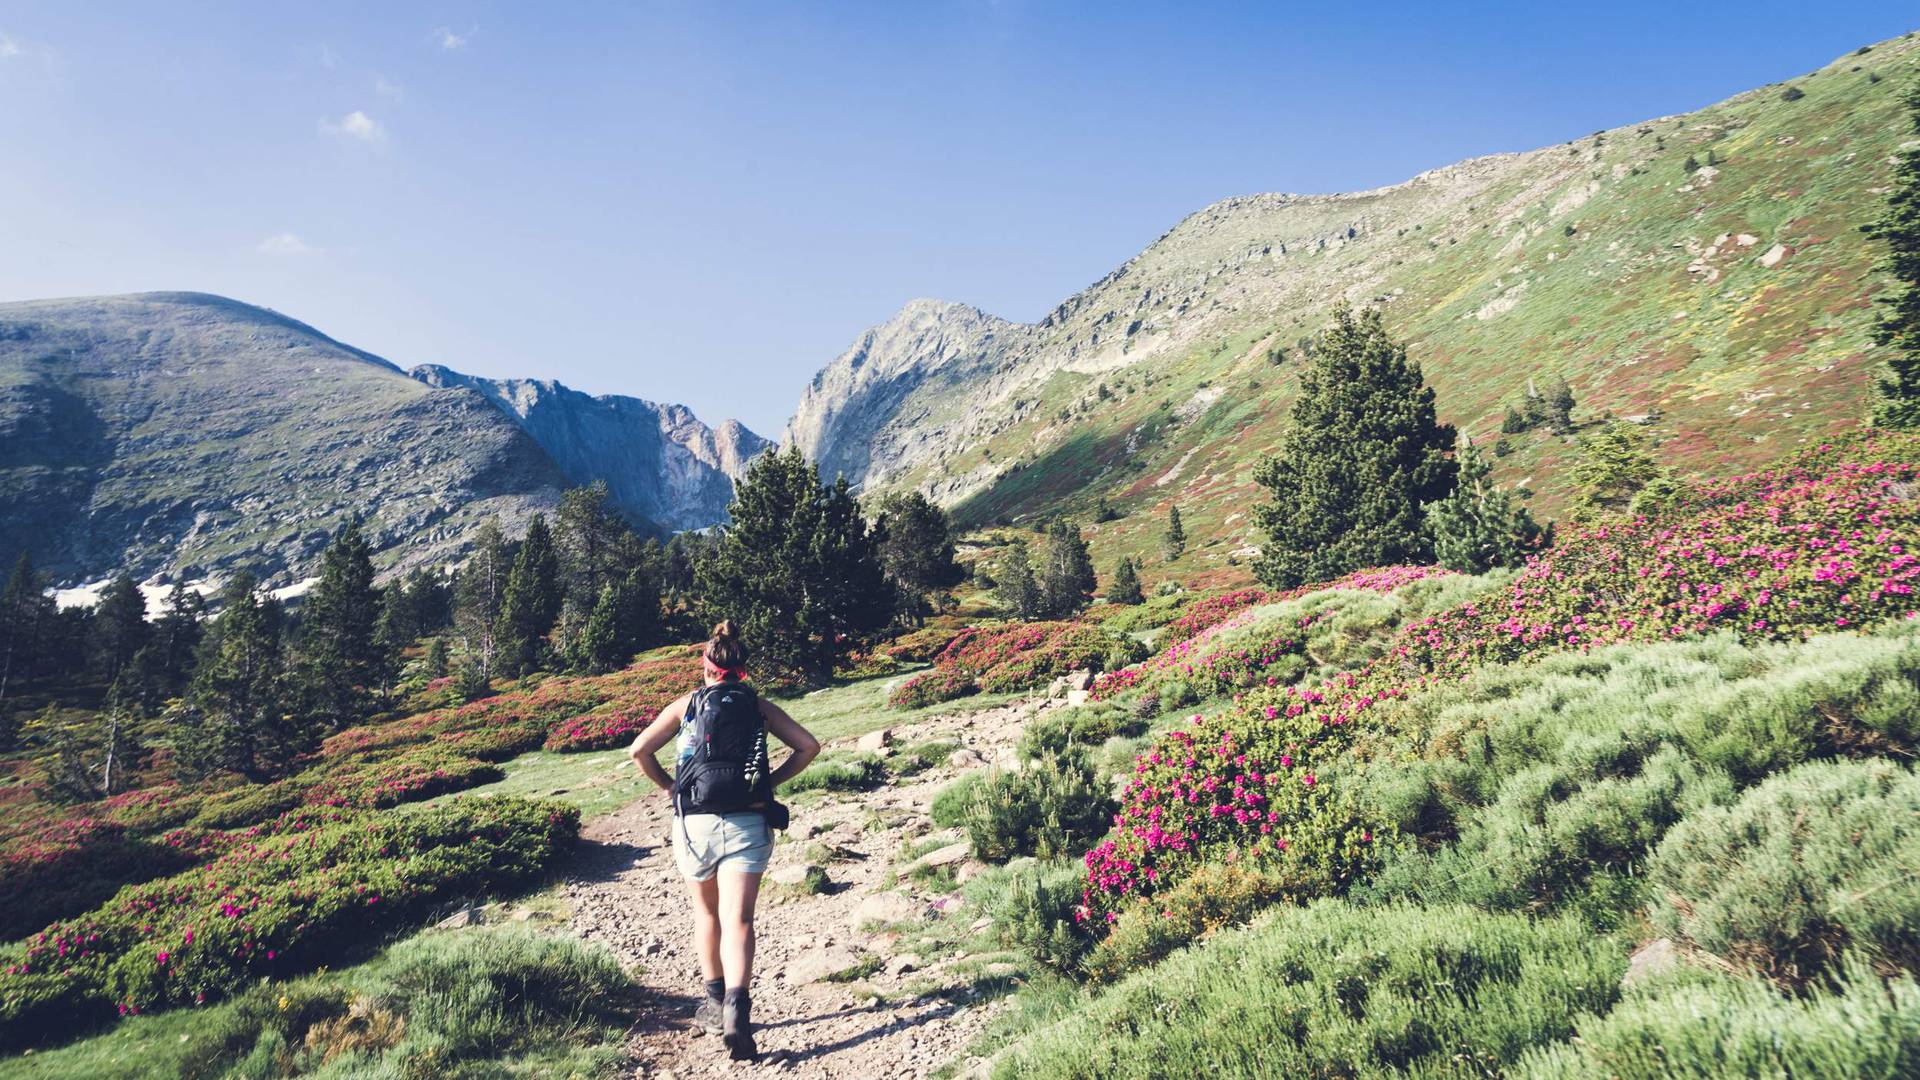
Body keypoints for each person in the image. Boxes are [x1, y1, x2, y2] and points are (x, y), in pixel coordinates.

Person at [628, 620, 820, 1061]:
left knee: (707, 913)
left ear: (706, 664)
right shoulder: (759, 706)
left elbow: (639, 750)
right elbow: (808, 746)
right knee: (741, 920)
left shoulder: (687, 705)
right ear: (742, 668)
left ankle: (714, 1004)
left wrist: (669, 789)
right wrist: (769, 783)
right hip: (748, 821)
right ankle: (738, 1007)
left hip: (695, 822)